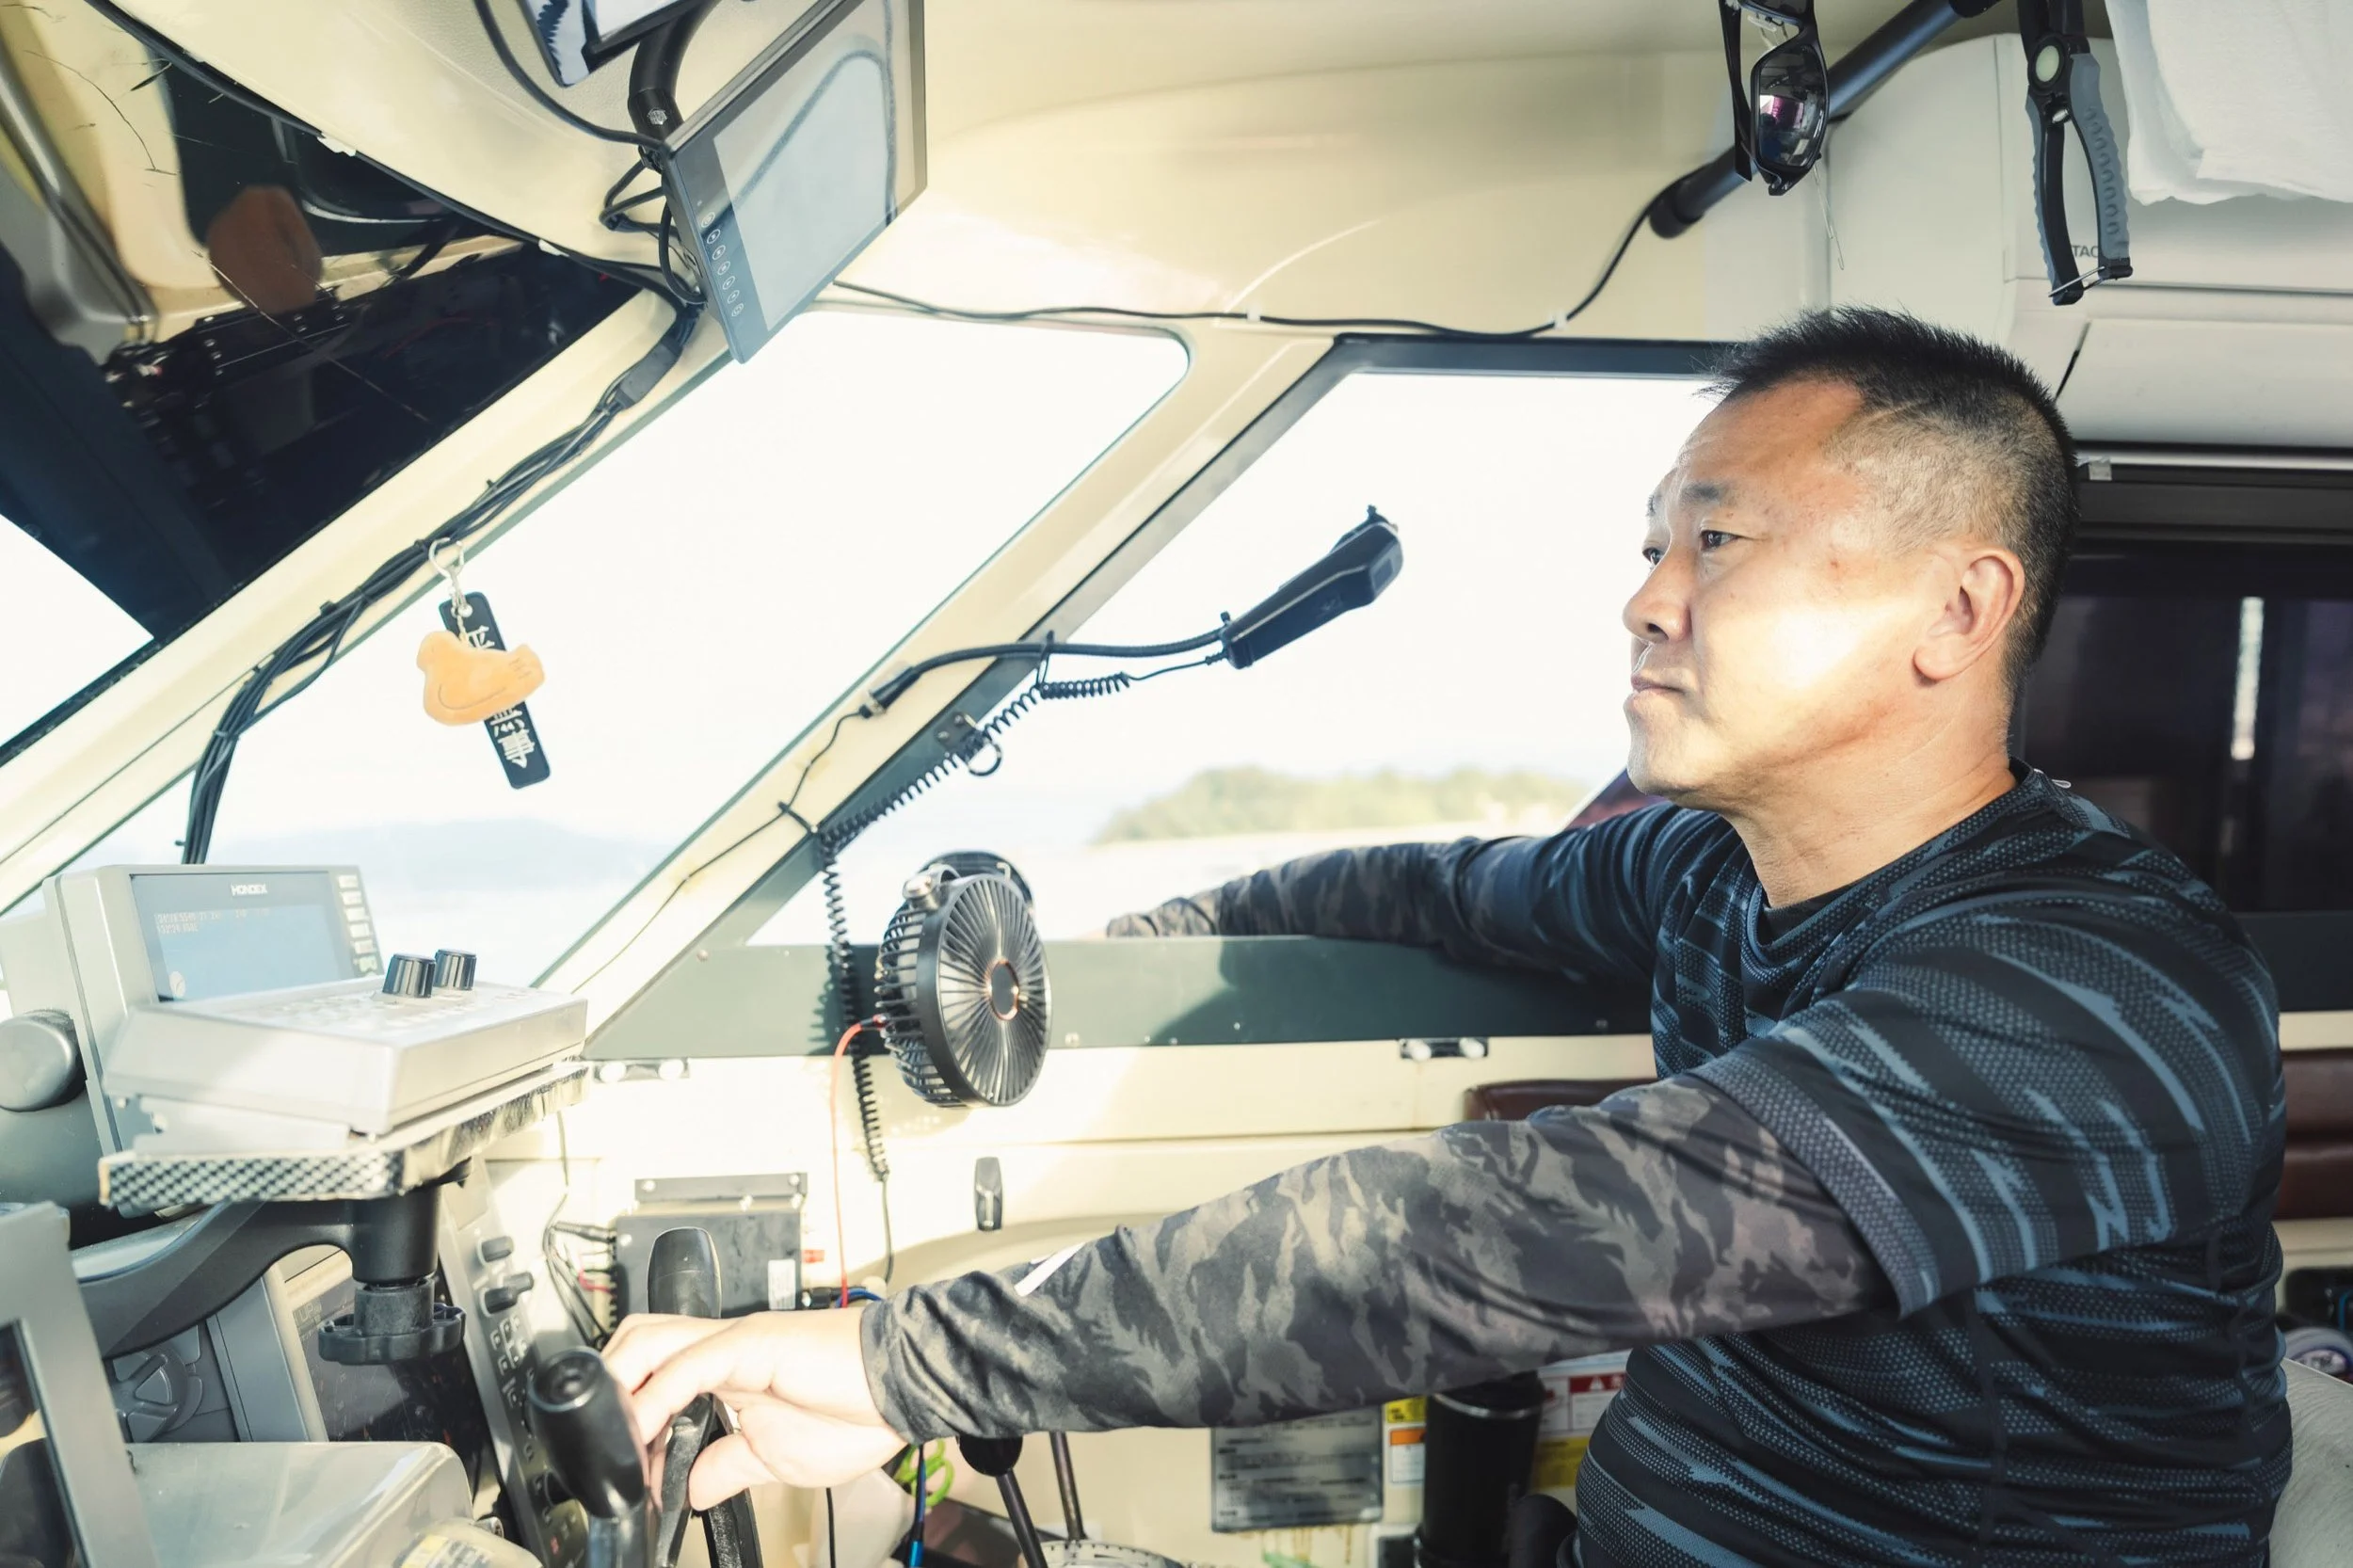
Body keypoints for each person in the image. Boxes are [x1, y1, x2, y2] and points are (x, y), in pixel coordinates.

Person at [606, 309, 2289, 1566]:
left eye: (1718, 539)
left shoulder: (2093, 987)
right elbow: (1435, 886)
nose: (1647, 596)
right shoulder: (1710, 872)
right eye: (1654, 545)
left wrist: (906, 1360)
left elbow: (1487, 1236)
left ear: (1957, 610)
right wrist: (1164, 934)